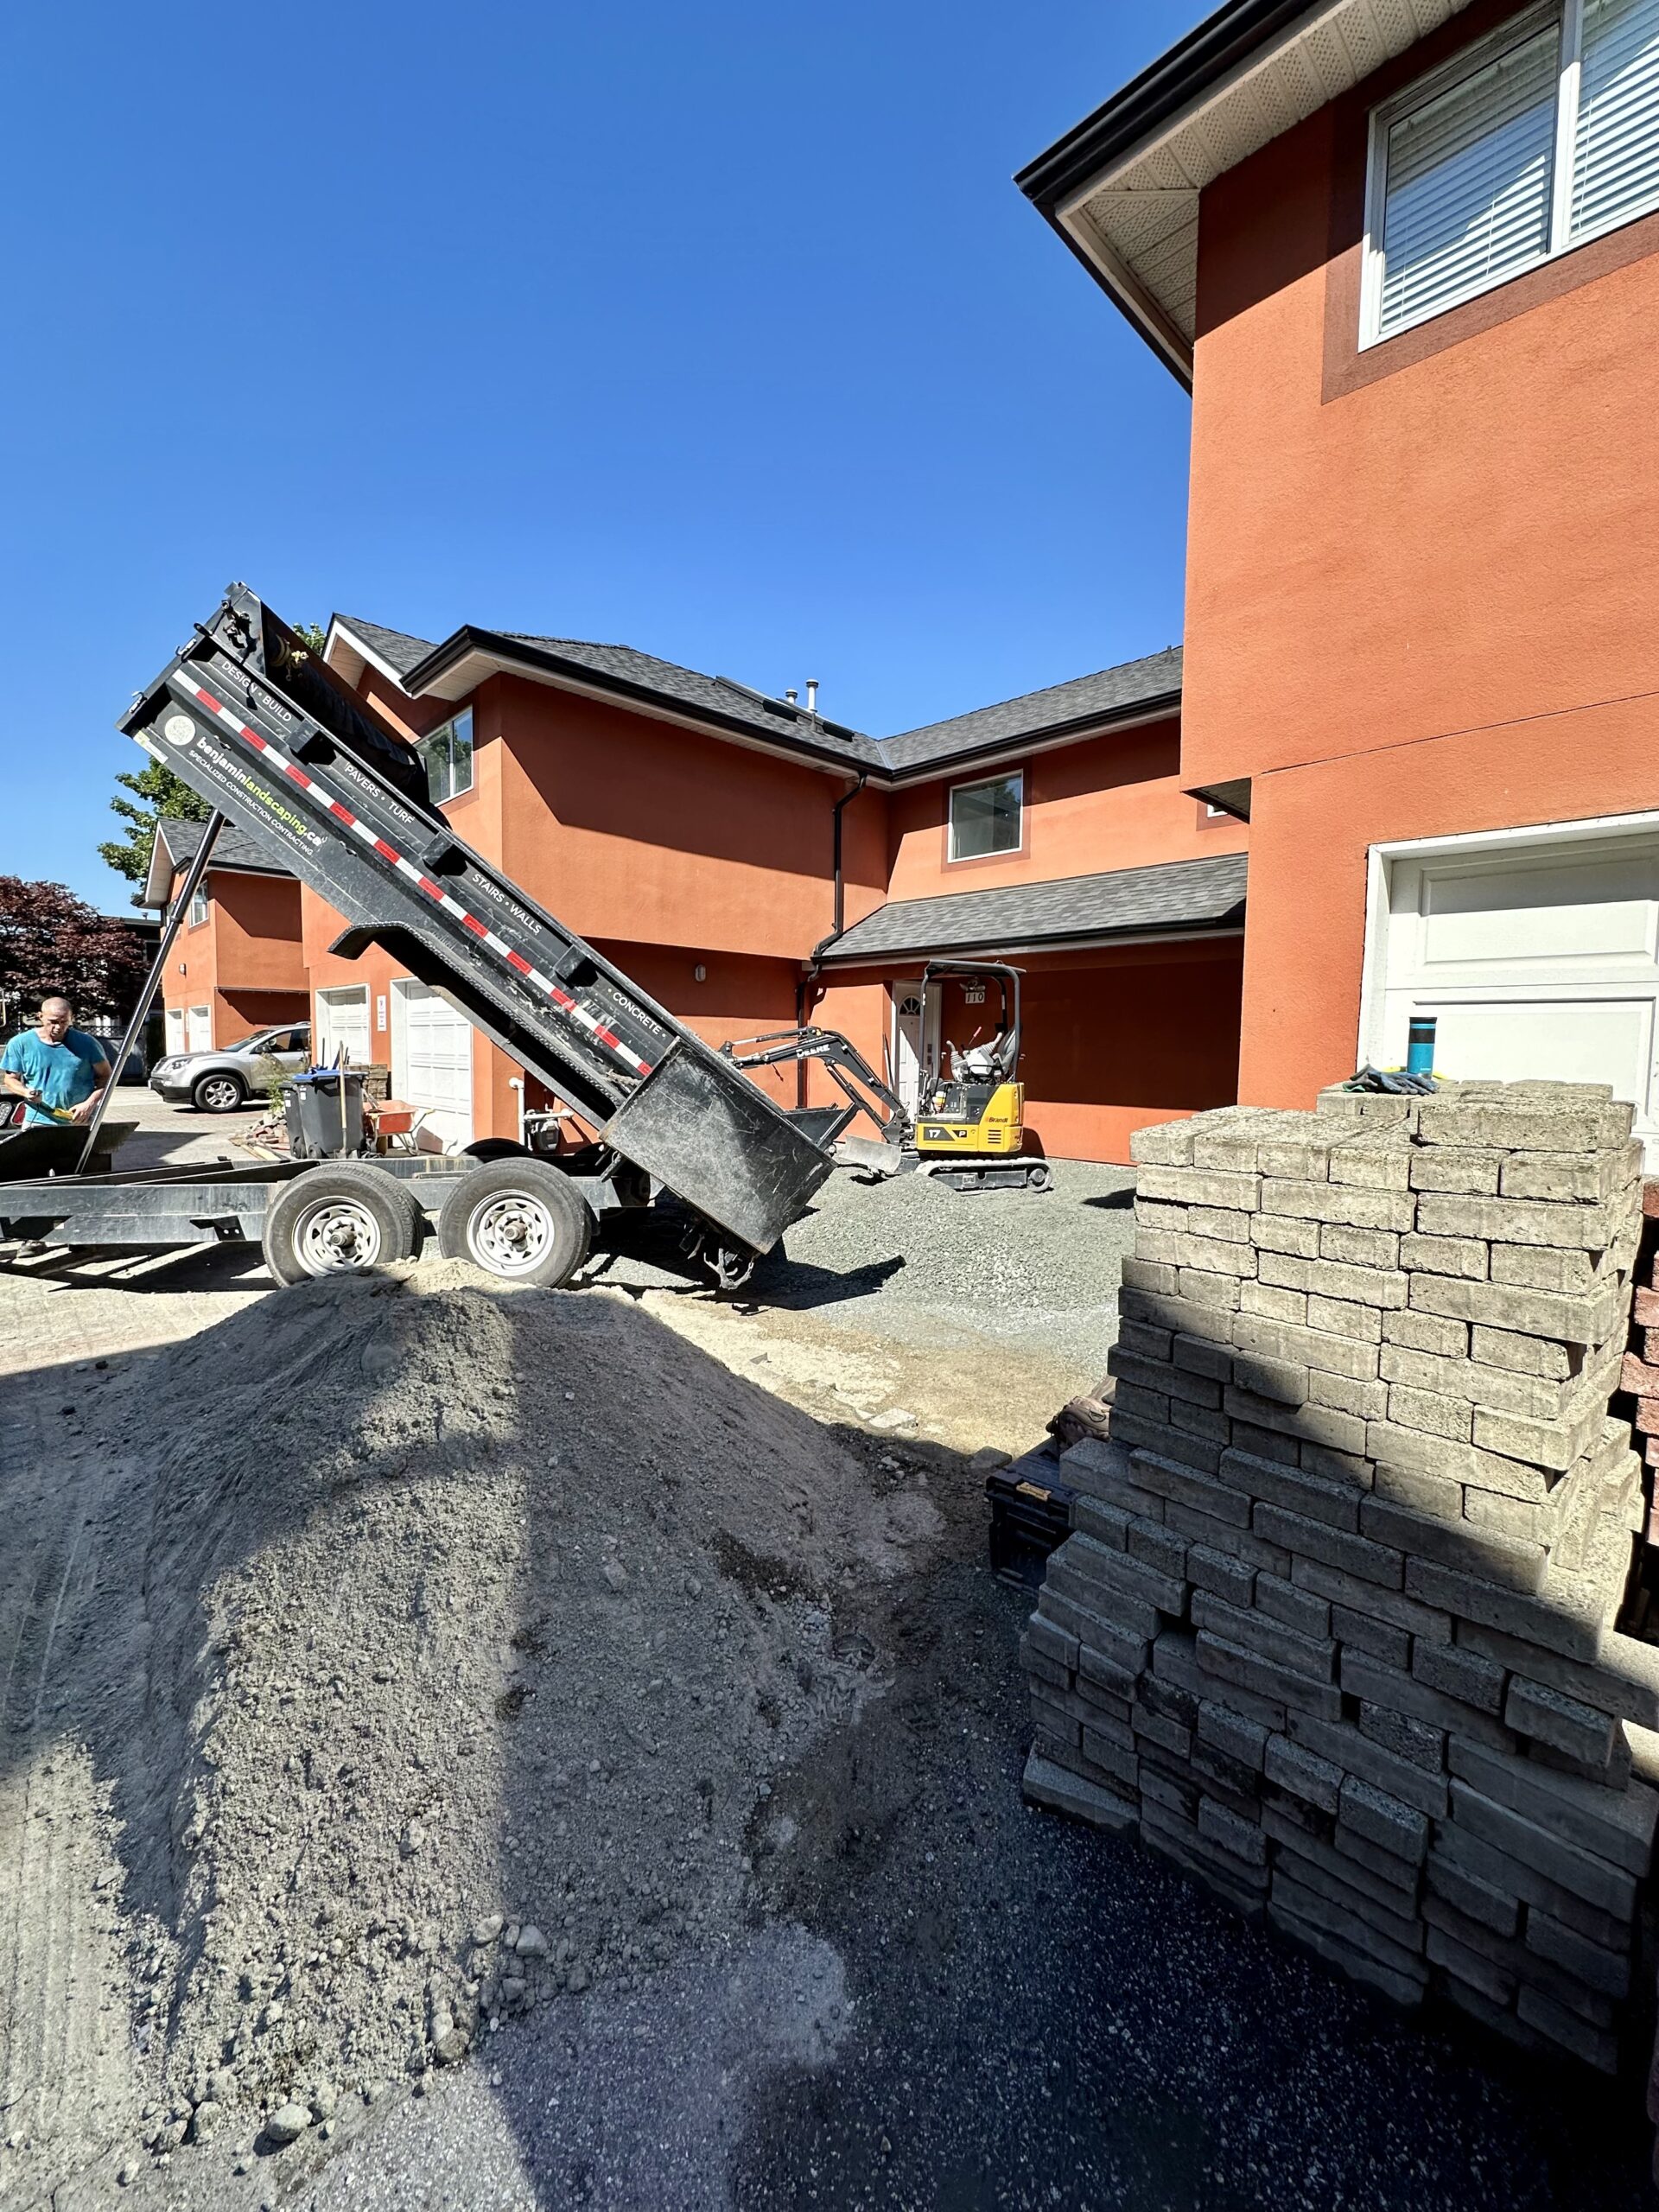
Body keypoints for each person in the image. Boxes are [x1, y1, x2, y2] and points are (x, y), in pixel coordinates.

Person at [2, 996, 112, 1126]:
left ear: (72, 1018)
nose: (58, 1027)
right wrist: (26, 1092)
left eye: (64, 1021)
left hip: (80, 1119)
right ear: (40, 1016)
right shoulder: (20, 1043)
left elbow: (107, 1077)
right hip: (38, 1120)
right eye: (53, 1021)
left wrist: (90, 1103)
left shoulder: (88, 1043)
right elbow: (10, 1080)